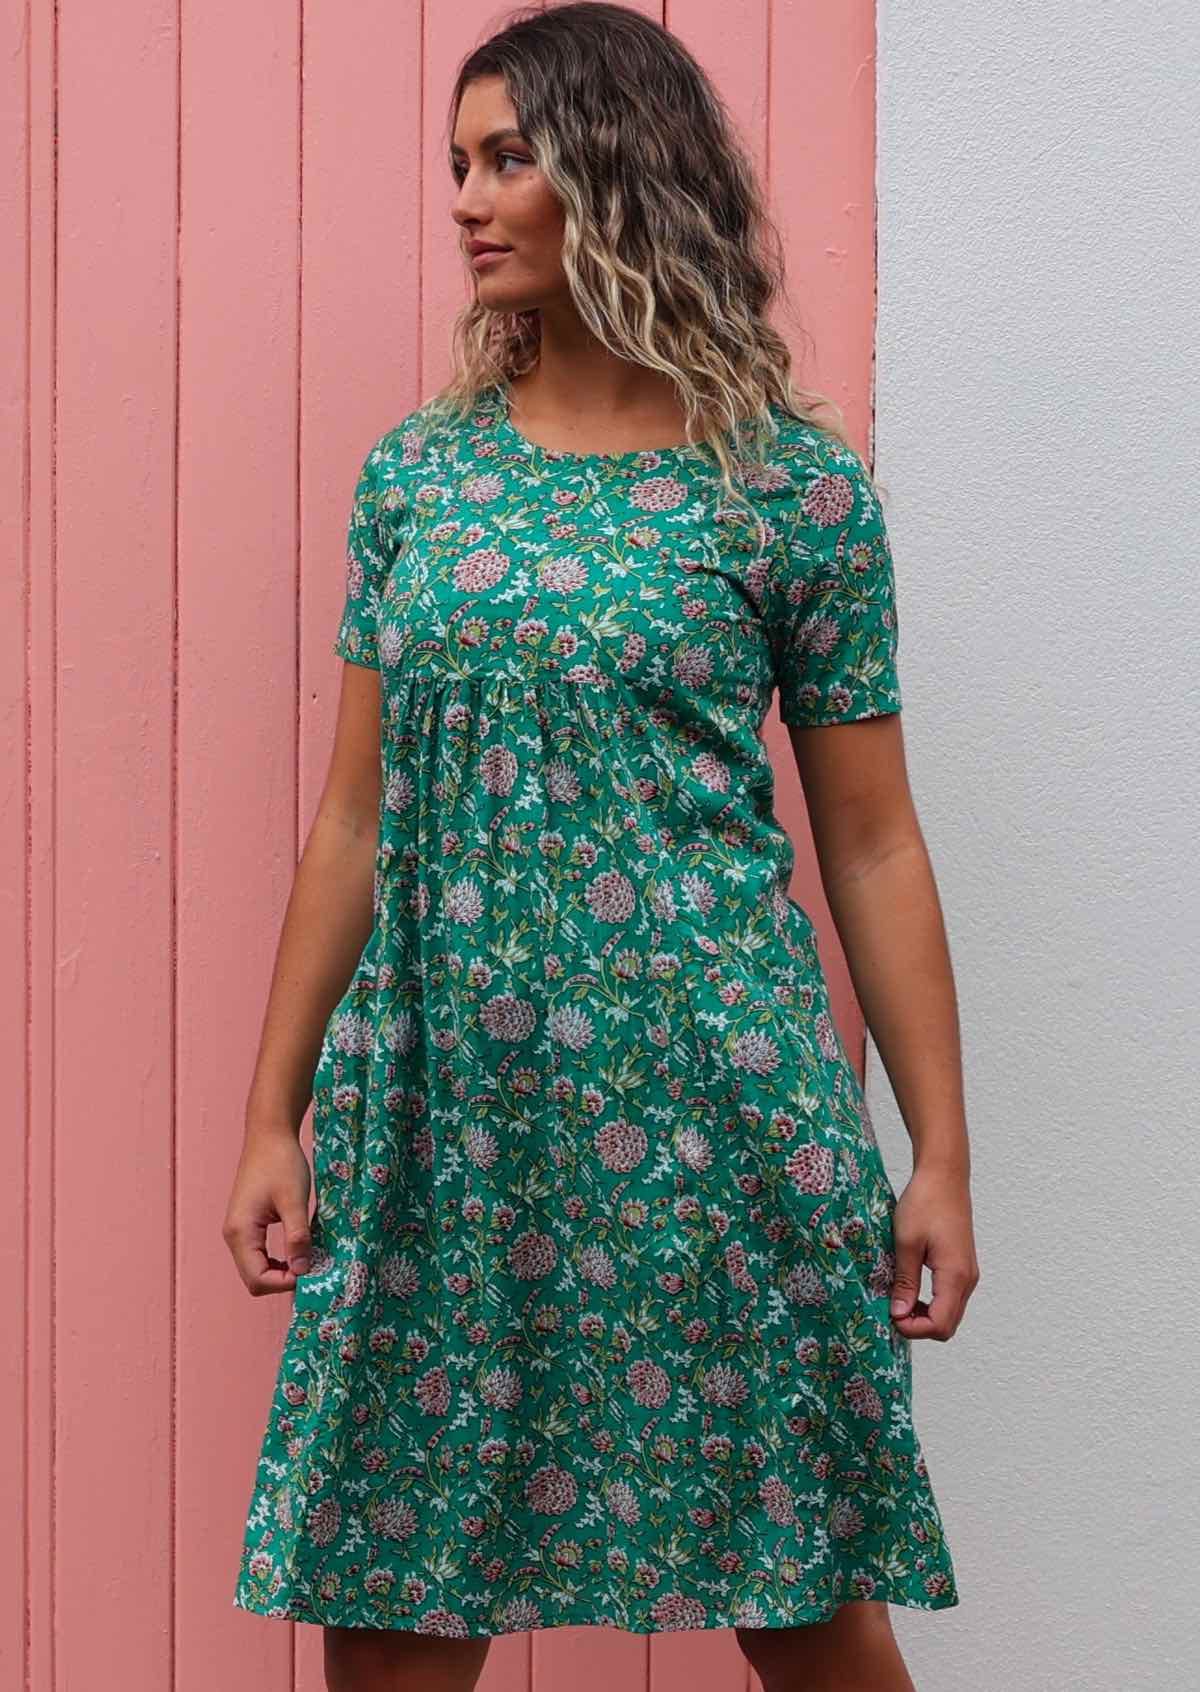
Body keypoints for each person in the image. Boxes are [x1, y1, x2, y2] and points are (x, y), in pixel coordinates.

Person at [223, 5, 980, 1689]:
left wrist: (937, 1151)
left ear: (617, 175)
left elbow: (871, 843)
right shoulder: (417, 482)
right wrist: (272, 1113)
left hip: (715, 1114)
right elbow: (355, 819)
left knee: (802, 1593)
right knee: (397, 1594)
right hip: (442, 1118)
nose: (467, 201)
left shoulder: (787, 490)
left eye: (509, 160)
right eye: (457, 164)